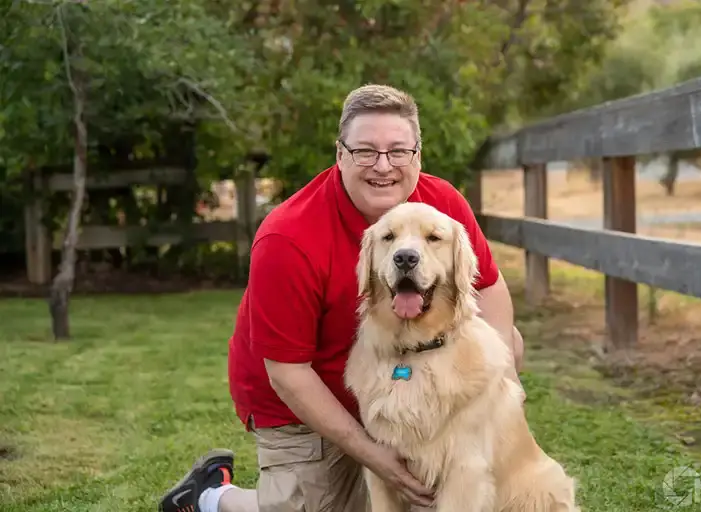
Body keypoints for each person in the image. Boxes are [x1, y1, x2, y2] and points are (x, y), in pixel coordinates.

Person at [158, 84, 525, 512]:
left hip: (406, 378)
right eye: (366, 151)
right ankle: (211, 496)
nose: (383, 167)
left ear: (418, 155)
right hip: (305, 395)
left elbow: (490, 289)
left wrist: (503, 396)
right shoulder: (287, 237)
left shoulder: (441, 205)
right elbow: (287, 372)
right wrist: (375, 457)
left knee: (506, 344)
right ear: (340, 154)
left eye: (398, 152)